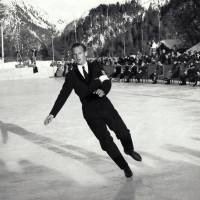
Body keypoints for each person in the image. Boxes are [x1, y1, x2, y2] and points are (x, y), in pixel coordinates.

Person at [44, 43, 142, 178]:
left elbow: (106, 81)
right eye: (75, 54)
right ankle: (124, 167)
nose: (77, 56)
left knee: (124, 133)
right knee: (107, 143)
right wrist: (53, 113)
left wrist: (104, 90)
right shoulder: (71, 75)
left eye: (79, 53)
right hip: (90, 113)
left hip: (105, 106)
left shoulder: (95, 66)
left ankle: (129, 150)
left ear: (85, 53)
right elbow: (63, 95)